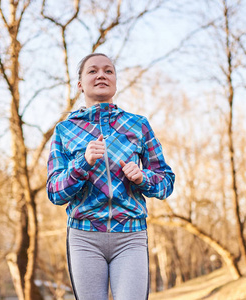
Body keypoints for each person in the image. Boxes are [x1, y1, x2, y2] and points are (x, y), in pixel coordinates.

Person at [46, 53, 175, 300]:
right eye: (92, 71)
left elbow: (166, 182)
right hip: (84, 237)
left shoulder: (138, 125)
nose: (101, 75)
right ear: (80, 84)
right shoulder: (65, 130)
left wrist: (142, 178)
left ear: (115, 81)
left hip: (130, 235)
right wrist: (82, 163)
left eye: (108, 71)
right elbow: (55, 192)